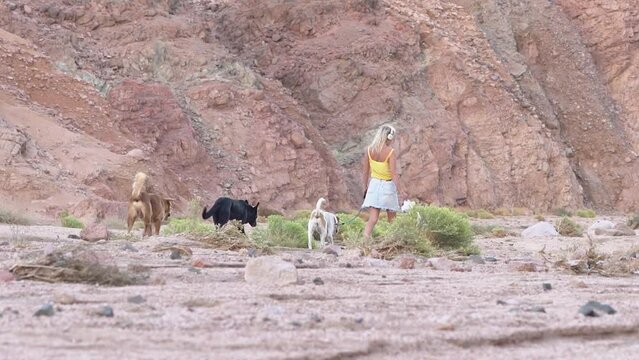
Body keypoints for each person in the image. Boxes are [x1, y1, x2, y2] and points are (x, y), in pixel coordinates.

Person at [361, 124, 403, 238]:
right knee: (392, 219)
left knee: (373, 219)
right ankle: (392, 241)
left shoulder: (369, 150)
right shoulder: (390, 151)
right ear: (389, 137)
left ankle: (364, 241)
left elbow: (365, 172)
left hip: (373, 185)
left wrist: (365, 188)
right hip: (387, 186)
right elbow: (393, 173)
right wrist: (401, 191)